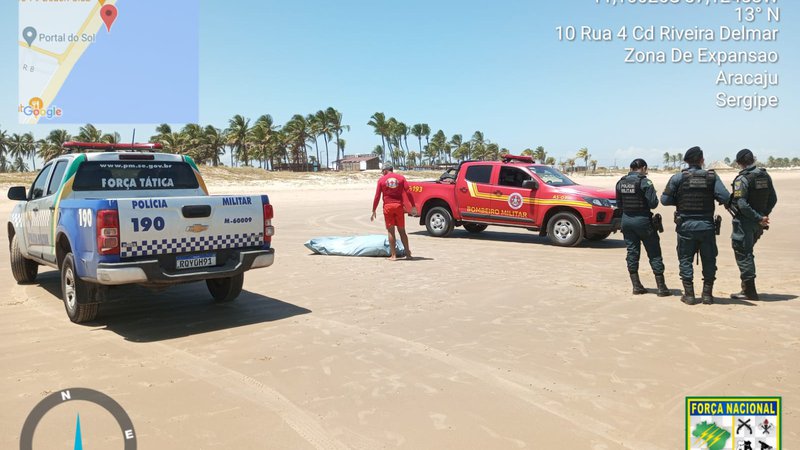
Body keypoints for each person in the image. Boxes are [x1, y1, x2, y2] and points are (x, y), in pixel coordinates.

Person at [660, 146, 730, 305]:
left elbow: (664, 200)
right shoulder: (712, 177)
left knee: (685, 260)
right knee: (709, 260)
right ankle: (707, 295)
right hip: (706, 227)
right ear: (702, 160)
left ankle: (689, 295)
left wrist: (678, 200)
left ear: (686, 161)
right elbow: (725, 197)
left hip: (686, 227)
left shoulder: (678, 178)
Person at [728, 149, 777, 300]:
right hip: (758, 223)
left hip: (746, 223)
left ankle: (749, 291)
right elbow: (773, 199)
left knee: (744, 253)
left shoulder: (742, 179)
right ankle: (747, 288)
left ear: (739, 163)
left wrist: (758, 217)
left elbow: (741, 204)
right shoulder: (764, 175)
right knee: (747, 252)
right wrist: (763, 216)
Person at [616, 159, 670, 296]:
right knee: (654, 252)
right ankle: (662, 288)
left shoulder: (620, 182)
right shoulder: (645, 182)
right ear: (644, 168)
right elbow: (653, 204)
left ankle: (636, 286)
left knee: (632, 252)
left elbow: (619, 204)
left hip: (627, 221)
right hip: (643, 221)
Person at [371, 165, 417, 260]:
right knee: (402, 231)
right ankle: (408, 254)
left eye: (382, 171)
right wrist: (413, 206)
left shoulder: (381, 180)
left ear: (385, 170)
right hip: (399, 206)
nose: (382, 173)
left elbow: (377, 196)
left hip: (388, 207)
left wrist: (374, 209)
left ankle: (393, 255)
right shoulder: (401, 178)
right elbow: (408, 192)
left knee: (391, 231)